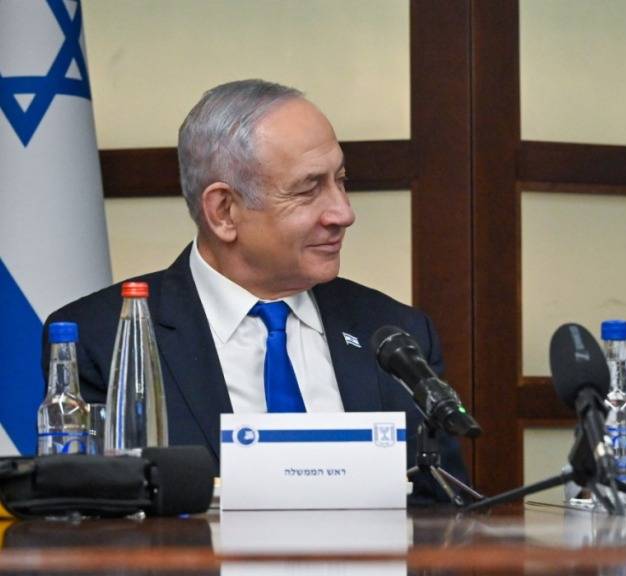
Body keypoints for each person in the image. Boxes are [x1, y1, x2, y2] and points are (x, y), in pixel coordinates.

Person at [44, 80, 466, 503]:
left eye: (341, 181)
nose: (343, 212)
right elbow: (101, 521)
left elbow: (450, 514)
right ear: (224, 211)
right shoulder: (103, 339)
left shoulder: (394, 334)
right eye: (308, 189)